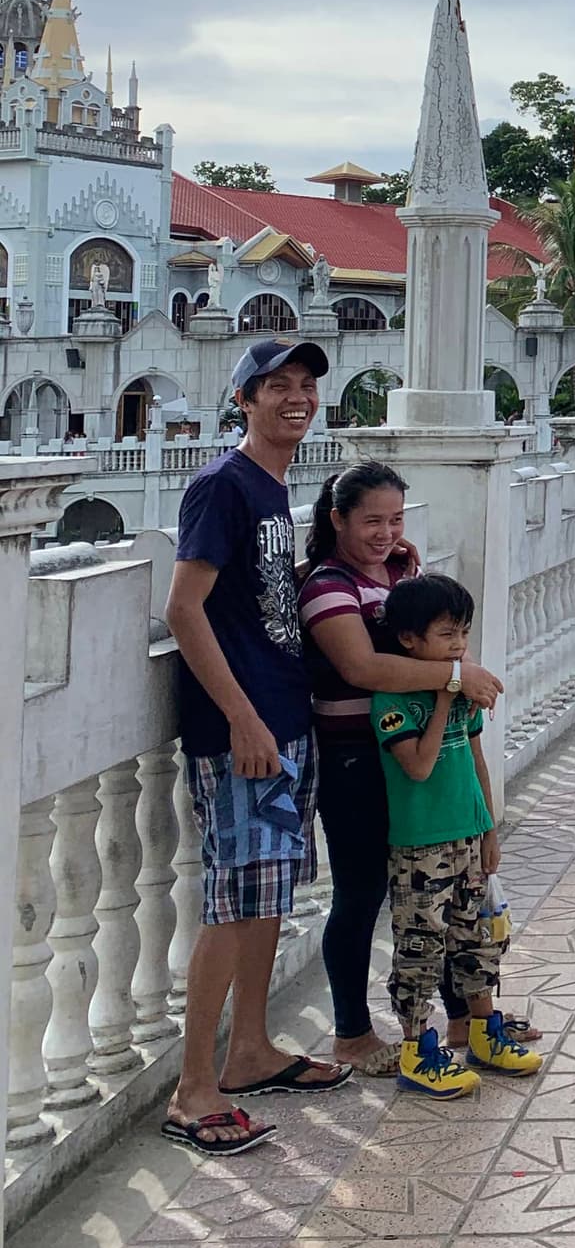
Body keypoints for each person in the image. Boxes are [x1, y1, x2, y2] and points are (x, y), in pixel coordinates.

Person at [164, 340, 349, 1157]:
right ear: (243, 398)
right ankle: (191, 1090)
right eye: (278, 387)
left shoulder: (274, 490)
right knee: (235, 900)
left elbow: (265, 598)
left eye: (308, 386)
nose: (297, 399)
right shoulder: (222, 486)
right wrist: (241, 718)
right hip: (244, 730)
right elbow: (185, 609)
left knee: (269, 894)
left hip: (285, 719)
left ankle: (249, 1052)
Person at [299, 462, 511, 1076]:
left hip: (426, 751)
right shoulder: (326, 586)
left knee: (443, 895)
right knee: (362, 892)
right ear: (336, 519)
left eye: (395, 519)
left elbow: (420, 631)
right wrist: (455, 677)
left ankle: (465, 1017)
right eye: (371, 521)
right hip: (357, 758)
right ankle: (353, 1034)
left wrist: (402, 566)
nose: (386, 532)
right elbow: (363, 668)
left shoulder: (398, 570)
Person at [374, 574, 541, 1097]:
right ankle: (417, 1048)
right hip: (420, 844)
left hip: (467, 835)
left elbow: (476, 762)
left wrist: (489, 829)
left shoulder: (462, 695)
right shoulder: (393, 702)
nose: (459, 646)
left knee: (477, 935)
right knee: (422, 946)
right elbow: (420, 767)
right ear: (409, 640)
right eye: (447, 635)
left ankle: (483, 1032)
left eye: (463, 633)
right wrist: (446, 693)